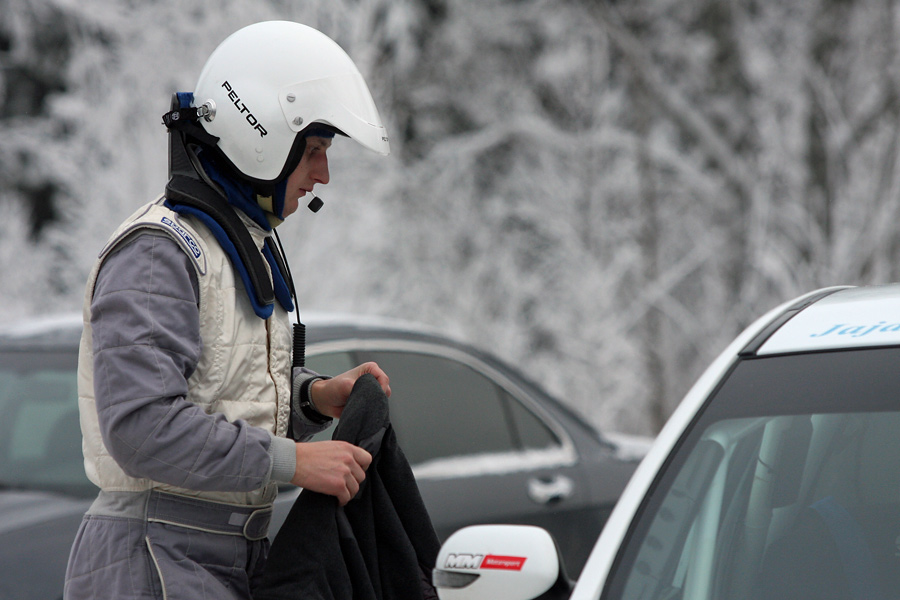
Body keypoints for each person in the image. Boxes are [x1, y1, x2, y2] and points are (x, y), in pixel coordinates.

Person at [64, 21, 393, 600]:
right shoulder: (158, 254)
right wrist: (294, 462)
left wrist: (312, 398)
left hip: (218, 556)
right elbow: (142, 427)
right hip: (154, 558)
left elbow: (218, 394)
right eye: (314, 150)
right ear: (261, 136)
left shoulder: (227, 247)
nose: (323, 175)